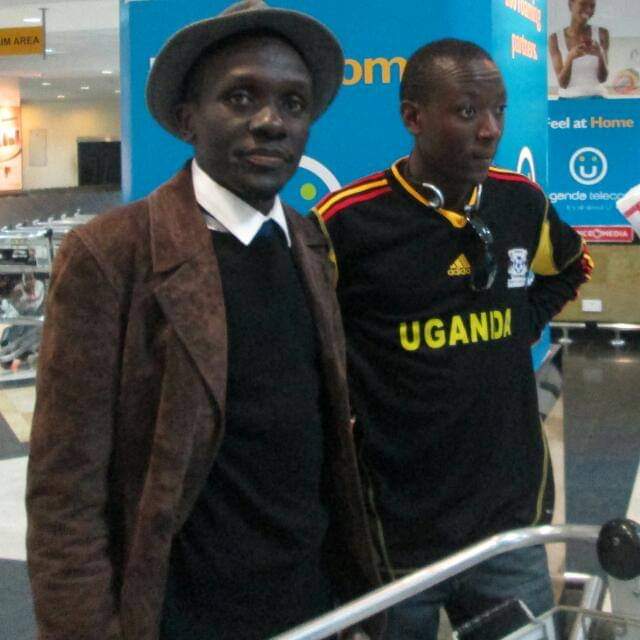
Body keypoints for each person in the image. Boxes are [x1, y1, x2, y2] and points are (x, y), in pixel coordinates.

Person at [25, 2, 383, 639]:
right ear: (188, 119)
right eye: (241, 97)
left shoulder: (308, 244)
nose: (270, 122)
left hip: (312, 602)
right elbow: (65, 490)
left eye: (293, 104)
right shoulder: (112, 256)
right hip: (183, 616)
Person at [314, 39, 593, 639]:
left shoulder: (520, 203)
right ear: (412, 117)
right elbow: (309, 340)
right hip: (398, 528)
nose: (489, 130)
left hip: (507, 522)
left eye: (498, 111)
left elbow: (572, 266)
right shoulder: (348, 221)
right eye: (467, 112)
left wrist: (522, 323)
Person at [549, 0, 609, 98]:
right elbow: (563, 84)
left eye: (592, 6)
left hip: (596, 98)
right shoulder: (555, 38)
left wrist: (600, 56)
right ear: (570, 5)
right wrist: (570, 58)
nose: (588, 9)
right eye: (583, 4)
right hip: (568, 100)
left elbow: (603, 79)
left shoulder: (602, 33)